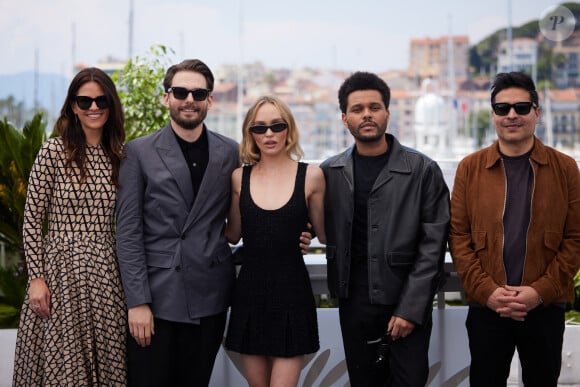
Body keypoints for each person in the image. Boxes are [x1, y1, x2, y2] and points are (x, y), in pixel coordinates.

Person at [115, 60, 312, 386]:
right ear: (167, 98)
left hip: (210, 295)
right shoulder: (138, 152)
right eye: (181, 92)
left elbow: (264, 201)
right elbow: (129, 233)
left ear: (209, 99)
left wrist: (301, 233)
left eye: (198, 92)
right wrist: (137, 302)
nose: (189, 99)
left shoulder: (230, 152)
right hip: (157, 300)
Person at [449, 71, 580, 387]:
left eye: (521, 107)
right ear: (493, 114)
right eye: (502, 108)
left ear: (537, 112)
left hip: (544, 306)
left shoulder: (565, 168)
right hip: (487, 307)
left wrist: (539, 292)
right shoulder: (470, 167)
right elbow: (459, 238)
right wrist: (489, 293)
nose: (512, 115)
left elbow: (575, 239)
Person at [320, 71, 450, 387]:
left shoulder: (422, 170)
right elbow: (308, 220)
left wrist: (409, 310)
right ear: (344, 118)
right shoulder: (329, 172)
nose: (367, 114)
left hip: (405, 303)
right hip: (354, 306)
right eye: (357, 108)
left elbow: (433, 245)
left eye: (374, 107)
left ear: (387, 113)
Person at [12, 67, 127, 385]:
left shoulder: (119, 156)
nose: (94, 107)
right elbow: (33, 218)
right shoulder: (53, 152)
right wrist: (36, 278)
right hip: (58, 275)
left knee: (108, 360)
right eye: (85, 100)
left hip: (106, 275)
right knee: (64, 366)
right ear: (73, 106)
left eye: (101, 100)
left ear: (111, 104)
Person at [224, 96, 326, 387]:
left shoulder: (312, 177)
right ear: (250, 133)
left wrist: (306, 233)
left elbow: (324, 231)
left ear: (288, 129)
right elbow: (233, 234)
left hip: (292, 294)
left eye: (276, 126)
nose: (268, 134)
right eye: (260, 128)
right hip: (249, 295)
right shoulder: (237, 178)